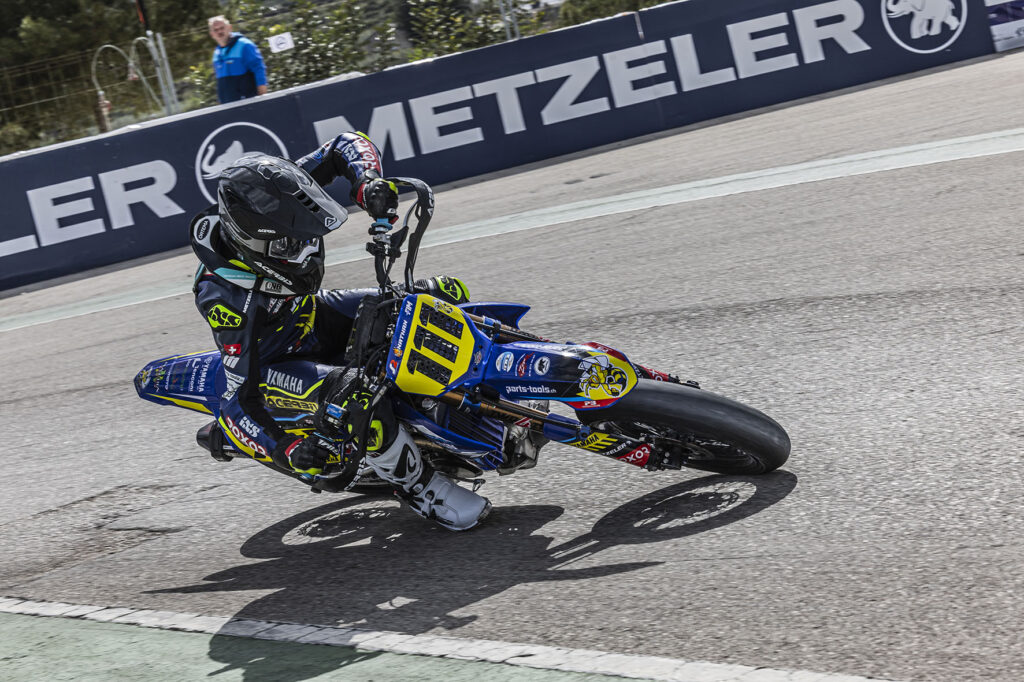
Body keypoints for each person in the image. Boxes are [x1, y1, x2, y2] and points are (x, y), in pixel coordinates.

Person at [188, 133, 541, 531]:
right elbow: (236, 404)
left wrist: (367, 183)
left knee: (432, 296)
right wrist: (286, 450)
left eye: (307, 240)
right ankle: (421, 488)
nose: (306, 252)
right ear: (249, 243)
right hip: (277, 362)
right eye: (291, 246)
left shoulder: (271, 198)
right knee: (357, 393)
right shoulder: (227, 303)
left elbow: (343, 145)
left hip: (312, 314)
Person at [208, 16, 268, 104]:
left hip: (249, 103)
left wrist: (263, 99)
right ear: (212, 34)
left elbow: (259, 69)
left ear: (230, 28)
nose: (219, 32)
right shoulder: (216, 53)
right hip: (228, 106)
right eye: (215, 30)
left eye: (222, 28)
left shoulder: (245, 45)